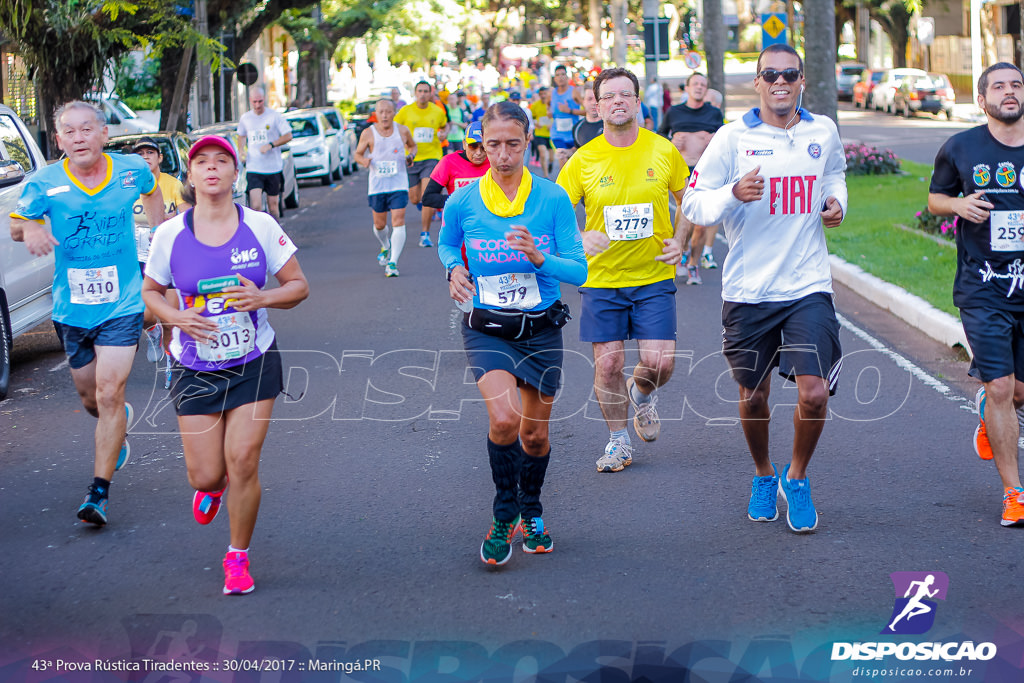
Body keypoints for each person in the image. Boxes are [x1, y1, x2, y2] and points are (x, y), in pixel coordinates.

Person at [680, 44, 847, 533]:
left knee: (814, 394)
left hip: (807, 284)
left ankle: (795, 478)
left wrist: (836, 202)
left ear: (801, 81)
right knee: (753, 397)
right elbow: (693, 204)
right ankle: (761, 474)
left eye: (789, 74)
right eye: (769, 74)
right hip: (750, 290)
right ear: (756, 83)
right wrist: (732, 193)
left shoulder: (823, 131)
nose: (780, 81)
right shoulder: (733, 138)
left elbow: (834, 172)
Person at [142, 135, 309, 594]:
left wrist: (263, 296)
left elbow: (298, 285)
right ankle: (211, 487)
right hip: (194, 367)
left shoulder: (259, 226)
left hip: (253, 361)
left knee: (243, 461)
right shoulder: (170, 234)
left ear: (236, 174)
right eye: (201, 162)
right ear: (190, 176)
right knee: (207, 473)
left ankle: (237, 556)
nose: (211, 168)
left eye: (222, 161)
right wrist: (175, 317)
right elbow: (151, 291)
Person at [439, 101, 587, 565]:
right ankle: (505, 514)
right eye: (493, 145)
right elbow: (447, 241)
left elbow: (579, 270)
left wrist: (541, 259)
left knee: (536, 438)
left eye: (513, 144)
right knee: (504, 421)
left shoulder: (552, 198)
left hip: (541, 330)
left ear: (528, 143)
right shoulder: (462, 200)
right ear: (481, 144)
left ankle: (533, 508)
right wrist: (453, 268)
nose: (503, 155)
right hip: (487, 327)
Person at [9, 100, 165, 526]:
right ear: (58, 140)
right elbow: (16, 225)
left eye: (86, 129)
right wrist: (34, 226)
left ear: (103, 134)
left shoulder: (131, 169)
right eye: (69, 132)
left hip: (123, 301)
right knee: (90, 397)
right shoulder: (45, 181)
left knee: (110, 391)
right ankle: (118, 425)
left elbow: (153, 192)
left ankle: (98, 493)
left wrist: (158, 243)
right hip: (71, 307)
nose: (78, 138)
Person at [556, 67, 689, 473]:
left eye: (625, 95)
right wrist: (579, 238)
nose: (617, 101)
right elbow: (555, 215)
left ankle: (643, 395)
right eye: (608, 96)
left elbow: (692, 199)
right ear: (596, 107)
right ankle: (618, 441)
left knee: (660, 363)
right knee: (608, 365)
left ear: (637, 103)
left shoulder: (662, 150)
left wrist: (681, 240)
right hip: (602, 281)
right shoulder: (584, 160)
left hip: (652, 276)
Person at [927, 61, 1024, 527]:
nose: (1010, 92)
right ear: (982, 100)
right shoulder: (961, 147)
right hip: (983, 288)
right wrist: (959, 204)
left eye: (1017, 85)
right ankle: (1014, 494)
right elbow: (934, 199)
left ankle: (990, 409)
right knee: (1002, 385)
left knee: (1016, 393)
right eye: (999, 87)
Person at [658, 73, 725, 284]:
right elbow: (659, 139)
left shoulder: (713, 113)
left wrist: (714, 140)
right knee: (685, 216)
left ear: (706, 90)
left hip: (705, 172)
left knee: (702, 223)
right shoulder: (674, 112)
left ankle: (694, 265)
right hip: (682, 172)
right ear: (686, 88)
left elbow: (725, 143)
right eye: (695, 84)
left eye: (703, 85)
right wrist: (671, 142)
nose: (699, 87)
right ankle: (682, 249)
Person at [132, 136, 190, 362]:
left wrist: (166, 219)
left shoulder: (172, 184)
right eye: (140, 154)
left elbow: (187, 215)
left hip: (169, 256)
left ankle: (171, 367)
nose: (145, 157)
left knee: (170, 318)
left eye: (150, 153)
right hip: (140, 255)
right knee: (145, 316)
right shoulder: (129, 186)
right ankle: (152, 331)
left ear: (160, 158)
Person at [354, 98, 417, 277]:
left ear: (394, 112)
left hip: (398, 183)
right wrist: (364, 160)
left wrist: (410, 156)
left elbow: (412, 146)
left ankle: (392, 262)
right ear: (376, 113)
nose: (384, 115)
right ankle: (385, 245)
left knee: (398, 221)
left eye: (388, 111)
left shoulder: (402, 131)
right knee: (379, 225)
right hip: (377, 185)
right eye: (380, 112)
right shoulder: (368, 133)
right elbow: (357, 154)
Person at [394, 80, 450, 247]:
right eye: (420, 91)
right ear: (415, 93)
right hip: (411, 158)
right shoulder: (406, 111)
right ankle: (425, 208)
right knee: (414, 198)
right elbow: (395, 127)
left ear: (430, 93)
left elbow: (445, 125)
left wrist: (444, 134)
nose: (423, 94)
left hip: (432, 157)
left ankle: (425, 234)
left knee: (427, 195)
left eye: (426, 91)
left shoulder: (437, 111)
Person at [237, 86, 292, 219]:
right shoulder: (245, 118)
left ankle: (275, 234)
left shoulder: (274, 116)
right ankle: (260, 236)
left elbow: (288, 135)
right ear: (250, 100)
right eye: (254, 102)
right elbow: (241, 135)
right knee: (256, 206)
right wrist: (241, 151)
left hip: (273, 168)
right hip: (254, 167)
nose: (257, 105)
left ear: (264, 99)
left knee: (273, 206)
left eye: (260, 101)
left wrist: (271, 145)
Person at [422, 120, 490, 221]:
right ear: (464, 144)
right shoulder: (448, 162)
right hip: (458, 224)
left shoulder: (495, 162)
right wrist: (459, 201)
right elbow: (428, 198)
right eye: (473, 146)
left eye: (483, 147)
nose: (478, 152)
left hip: (487, 223)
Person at [549, 65, 583, 175]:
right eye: (557, 75)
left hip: (573, 135)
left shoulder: (574, 92)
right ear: (554, 78)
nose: (560, 77)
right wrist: (549, 113)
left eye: (563, 74)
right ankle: (563, 189)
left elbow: (588, 111)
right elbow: (549, 109)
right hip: (557, 134)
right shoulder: (552, 93)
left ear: (567, 76)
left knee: (573, 165)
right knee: (562, 161)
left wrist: (570, 111)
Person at [572, 82, 604, 149]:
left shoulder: (611, 125)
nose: (594, 103)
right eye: (589, 99)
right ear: (583, 101)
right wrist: (567, 153)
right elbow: (579, 152)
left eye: (597, 99)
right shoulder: (577, 128)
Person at [529, 87, 552, 178]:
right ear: (539, 95)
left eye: (545, 94)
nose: (543, 96)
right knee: (542, 154)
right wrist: (535, 124)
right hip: (539, 133)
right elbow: (532, 118)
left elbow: (557, 115)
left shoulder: (552, 104)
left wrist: (552, 124)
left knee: (551, 158)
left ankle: (550, 163)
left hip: (551, 134)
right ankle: (546, 175)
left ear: (548, 94)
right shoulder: (535, 105)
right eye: (541, 94)